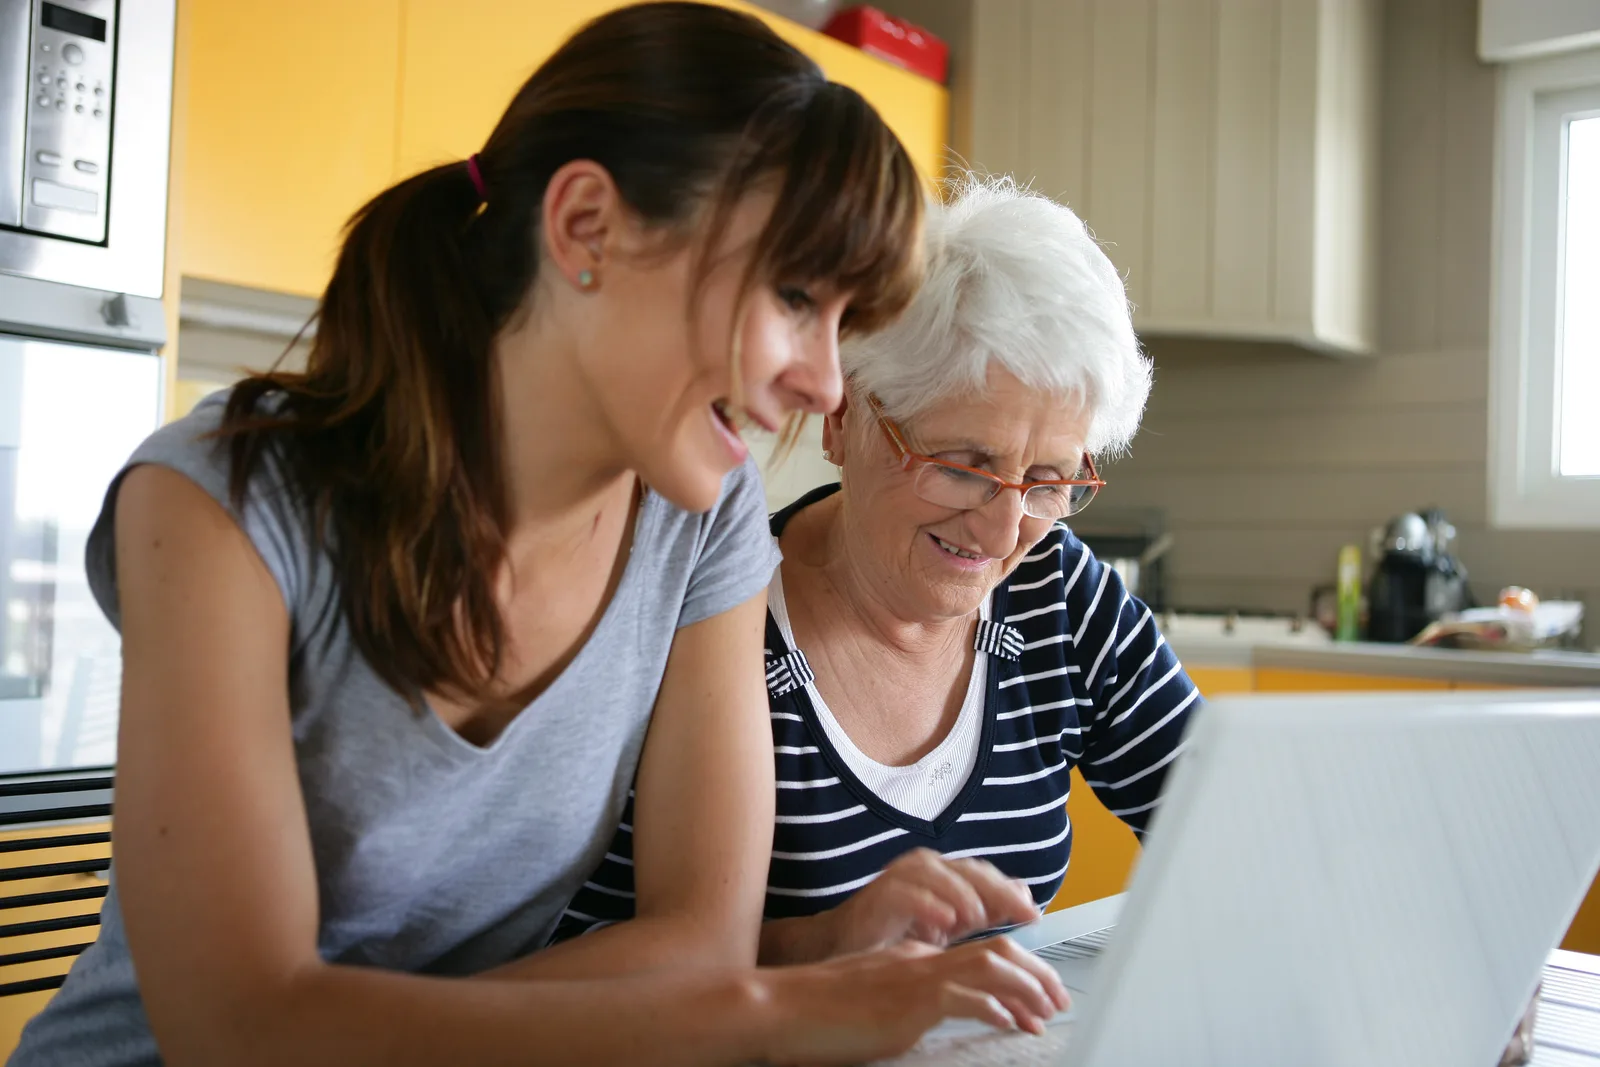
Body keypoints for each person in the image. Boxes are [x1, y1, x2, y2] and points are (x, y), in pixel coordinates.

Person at [9, 10, 1069, 1067]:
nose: (824, 381)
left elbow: (698, 944)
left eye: (843, 321)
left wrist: (791, 964)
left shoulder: (701, 521)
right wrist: (767, 1009)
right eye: (794, 294)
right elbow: (241, 1029)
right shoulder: (222, 503)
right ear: (587, 226)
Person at [556, 174, 1201, 963]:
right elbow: (589, 957)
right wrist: (827, 947)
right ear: (844, 416)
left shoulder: (1056, 592)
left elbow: (1238, 824)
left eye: (1049, 482)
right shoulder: (715, 620)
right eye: (963, 465)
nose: (1005, 529)